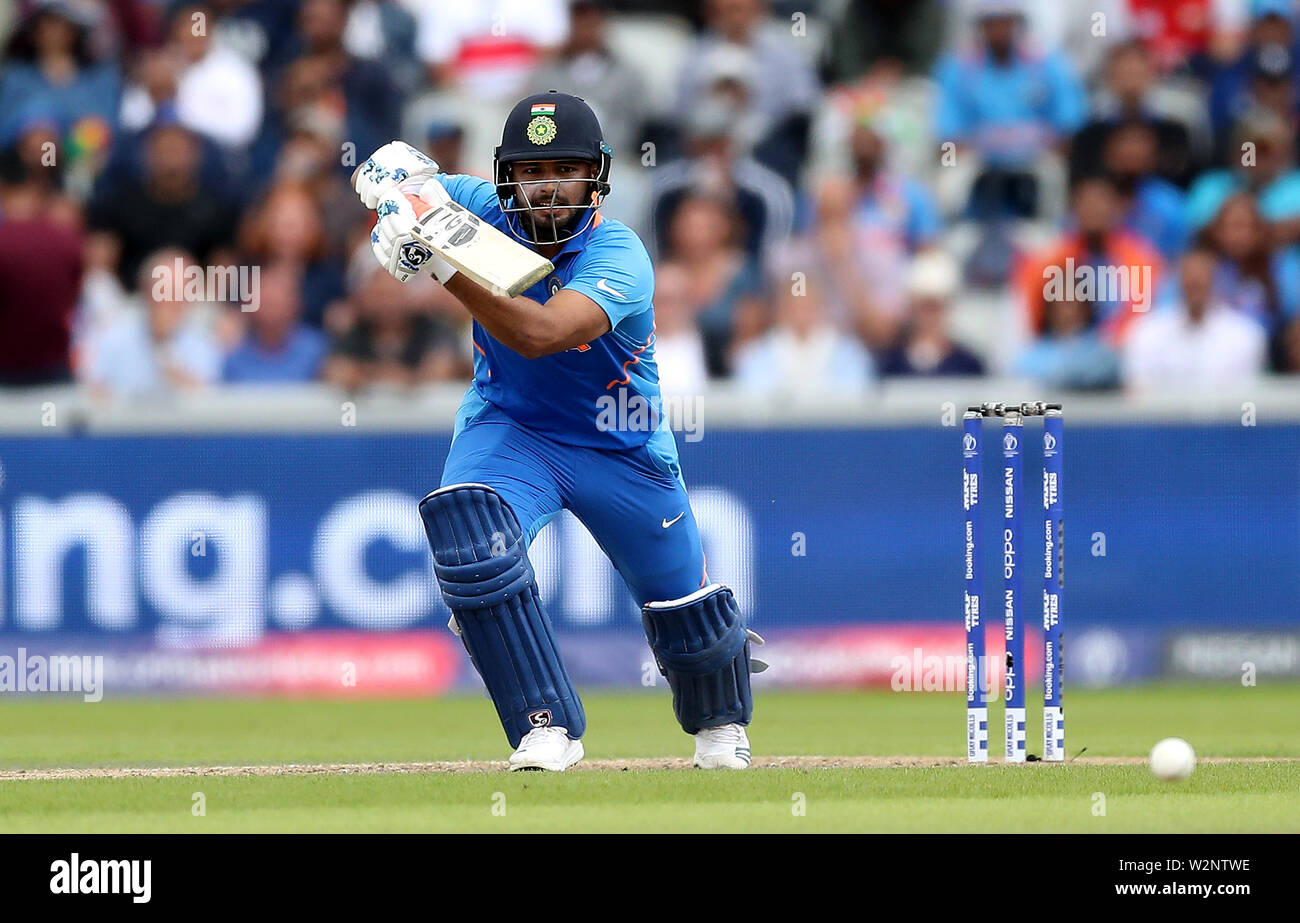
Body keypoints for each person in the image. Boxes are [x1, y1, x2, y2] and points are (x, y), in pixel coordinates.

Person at [352, 92, 763, 771]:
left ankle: (721, 722)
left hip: (619, 442)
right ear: (505, 176)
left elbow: (539, 334)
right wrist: (389, 182)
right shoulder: (478, 206)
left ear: (597, 176)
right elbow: (398, 182)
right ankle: (544, 726)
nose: (547, 189)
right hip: (512, 426)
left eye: (565, 171)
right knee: (471, 543)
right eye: (531, 173)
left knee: (686, 615)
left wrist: (442, 263)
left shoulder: (620, 253)